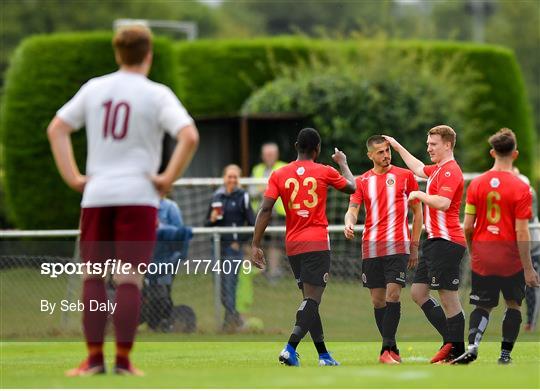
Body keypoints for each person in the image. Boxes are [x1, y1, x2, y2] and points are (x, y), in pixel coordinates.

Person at [47, 25, 199, 376]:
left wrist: (73, 177)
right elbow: (189, 135)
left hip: (97, 194)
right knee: (129, 278)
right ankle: (125, 362)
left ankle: (94, 359)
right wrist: (166, 179)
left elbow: (57, 128)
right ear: (149, 55)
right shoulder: (157, 94)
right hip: (139, 196)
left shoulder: (94, 89)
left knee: (93, 277)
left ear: (117, 54)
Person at [251, 128, 356, 366]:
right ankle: (290, 347)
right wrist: (343, 163)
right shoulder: (324, 171)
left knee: (309, 300)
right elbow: (352, 187)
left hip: (293, 244)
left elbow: (265, 209)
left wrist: (256, 244)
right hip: (317, 242)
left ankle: (323, 355)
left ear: (297, 146)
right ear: (317, 150)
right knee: (313, 300)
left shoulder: (279, 174)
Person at [451, 129, 540, 364]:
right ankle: (504, 355)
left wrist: (474, 251)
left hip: (484, 254)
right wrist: (528, 268)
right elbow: (522, 231)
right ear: (515, 154)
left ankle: (473, 346)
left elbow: (468, 226)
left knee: (482, 305)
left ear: (492, 152)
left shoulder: (476, 185)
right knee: (513, 306)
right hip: (510, 258)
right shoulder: (523, 189)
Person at [383, 125, 467, 363]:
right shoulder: (438, 169)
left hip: (447, 241)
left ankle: (457, 351)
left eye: (433, 144)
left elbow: (442, 202)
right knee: (419, 293)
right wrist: (397, 146)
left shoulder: (451, 171)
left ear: (448, 145)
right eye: (428, 143)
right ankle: (451, 342)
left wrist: (418, 195)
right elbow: (418, 167)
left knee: (448, 299)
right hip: (434, 241)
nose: (428, 147)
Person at [344, 135, 423, 364]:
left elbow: (418, 213)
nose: (386, 155)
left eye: (387, 150)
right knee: (378, 301)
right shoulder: (362, 182)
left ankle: (384, 351)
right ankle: (392, 348)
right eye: (380, 152)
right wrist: (350, 222)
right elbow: (353, 209)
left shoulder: (405, 176)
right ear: (370, 155)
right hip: (371, 247)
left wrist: (415, 245)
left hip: (398, 245)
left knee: (393, 295)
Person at [206, 164, 255, 332]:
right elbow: (208, 224)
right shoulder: (217, 196)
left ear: (239, 179)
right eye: (229, 176)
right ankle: (232, 319)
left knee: (230, 284)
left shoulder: (243, 197)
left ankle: (231, 321)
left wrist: (239, 241)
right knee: (220, 286)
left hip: (233, 250)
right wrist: (212, 220)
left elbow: (253, 223)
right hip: (217, 248)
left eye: (235, 177)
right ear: (224, 177)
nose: (232, 180)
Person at [250, 142, 287, 280]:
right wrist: (266, 188)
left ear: (276, 155)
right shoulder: (257, 169)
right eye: (266, 154)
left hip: (277, 213)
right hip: (259, 212)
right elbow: (252, 191)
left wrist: (264, 188)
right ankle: (258, 272)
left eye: (271, 154)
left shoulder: (284, 167)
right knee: (256, 242)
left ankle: (273, 273)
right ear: (262, 156)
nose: (269, 157)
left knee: (275, 244)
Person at [512, 167, 540, 332]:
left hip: (533, 246)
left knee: (532, 285)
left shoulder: (527, 191)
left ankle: (531, 322)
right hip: (517, 247)